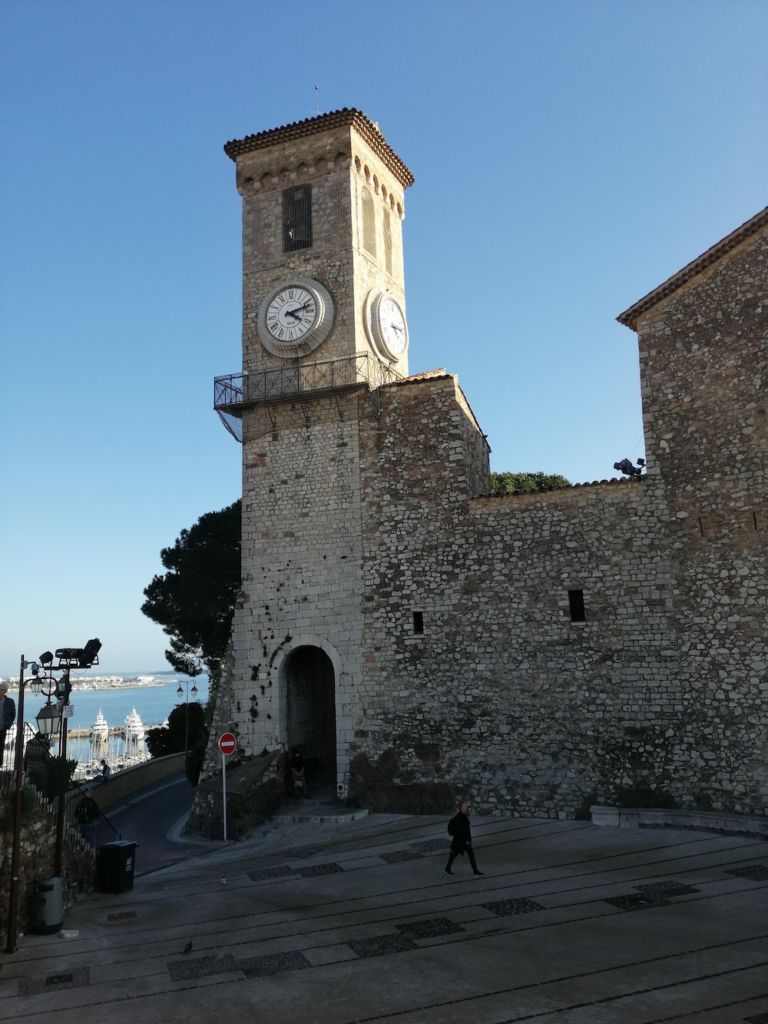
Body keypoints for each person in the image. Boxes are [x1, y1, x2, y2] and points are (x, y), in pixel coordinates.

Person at [445, 800, 483, 876]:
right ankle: (447, 869)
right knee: (453, 855)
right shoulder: (459, 818)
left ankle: (475, 871)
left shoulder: (463, 816)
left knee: (468, 854)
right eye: (465, 806)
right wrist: (466, 840)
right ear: (461, 808)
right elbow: (460, 831)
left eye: (466, 806)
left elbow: (465, 831)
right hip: (460, 842)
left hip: (462, 841)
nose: (466, 807)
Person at [24, 731, 52, 796]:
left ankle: (33, 801)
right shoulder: (44, 745)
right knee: (42, 790)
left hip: (30, 769)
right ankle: (43, 801)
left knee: (32, 790)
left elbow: (25, 758)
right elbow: (46, 760)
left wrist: (25, 769)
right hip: (41, 770)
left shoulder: (29, 743)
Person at [0, 682, 16, 769]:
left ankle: (0, 763)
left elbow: (13, 715)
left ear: (5, 691)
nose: (0, 691)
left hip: (3, 728)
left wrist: (8, 724)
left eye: (2, 690)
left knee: (1, 746)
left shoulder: (10, 701)